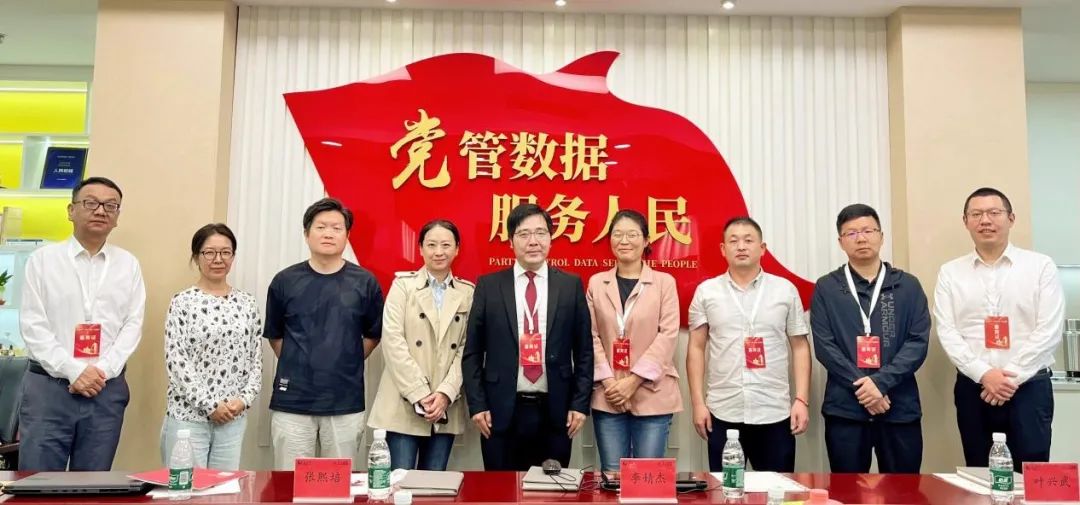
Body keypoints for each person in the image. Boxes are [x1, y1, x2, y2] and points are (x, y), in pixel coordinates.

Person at [18, 176, 146, 471]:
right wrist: (74, 370)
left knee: (93, 484)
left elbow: (132, 324)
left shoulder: (128, 265)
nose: (101, 211)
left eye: (110, 206)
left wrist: (101, 372)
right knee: (37, 482)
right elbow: (33, 325)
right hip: (49, 389)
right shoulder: (42, 260)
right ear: (71, 210)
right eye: (91, 203)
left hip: (105, 389)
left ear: (117, 217)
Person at [934, 187, 1064, 469]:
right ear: (965, 221)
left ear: (1011, 218)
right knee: (979, 471)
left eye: (994, 213)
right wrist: (984, 374)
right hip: (974, 388)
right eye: (976, 214)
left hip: (1029, 387)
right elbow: (947, 330)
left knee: (1031, 471)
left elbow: (1049, 328)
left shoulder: (1040, 266)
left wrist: (1007, 378)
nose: (985, 220)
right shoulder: (950, 272)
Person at [461, 203, 593, 470]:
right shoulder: (489, 285)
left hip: (556, 411)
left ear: (551, 238)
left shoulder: (570, 285)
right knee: (501, 489)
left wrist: (580, 404)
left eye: (541, 233)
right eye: (524, 234)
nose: (533, 241)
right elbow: (472, 352)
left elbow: (584, 352)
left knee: (551, 489)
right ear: (511, 241)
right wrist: (477, 405)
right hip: (499, 412)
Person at [264, 198, 384, 470]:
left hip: (344, 402)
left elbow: (372, 335)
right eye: (321, 227)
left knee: (340, 483)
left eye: (336, 228)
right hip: (292, 402)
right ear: (306, 233)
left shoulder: (365, 282)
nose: (328, 233)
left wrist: (344, 360)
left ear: (347, 235)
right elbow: (276, 335)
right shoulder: (285, 281)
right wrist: (301, 362)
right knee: (290, 482)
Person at [810, 204, 930, 473]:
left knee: (903, 489)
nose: (861, 238)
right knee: (847, 489)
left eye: (868, 230)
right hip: (846, 410)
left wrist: (881, 383)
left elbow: (917, 342)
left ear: (881, 236)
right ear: (841, 241)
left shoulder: (908, 286)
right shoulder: (827, 288)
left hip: (898, 406)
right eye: (851, 233)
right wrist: (866, 389)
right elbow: (825, 346)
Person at [687, 217, 811, 473]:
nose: (741, 246)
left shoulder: (785, 290)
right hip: (723, 410)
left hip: (774, 410)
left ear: (762, 248)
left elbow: (800, 346)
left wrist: (801, 399)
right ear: (723, 249)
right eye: (733, 241)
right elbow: (696, 348)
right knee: (726, 489)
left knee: (777, 489)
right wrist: (698, 403)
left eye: (748, 240)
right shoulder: (707, 292)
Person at [368, 219, 474, 470]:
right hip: (404, 401)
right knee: (399, 481)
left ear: (457, 249)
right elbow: (393, 341)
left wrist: (445, 393)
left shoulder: (467, 292)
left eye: (446, 245)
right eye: (432, 245)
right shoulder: (403, 286)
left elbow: (467, 348)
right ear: (420, 248)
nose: (439, 252)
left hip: (445, 406)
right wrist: (420, 394)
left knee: (434, 483)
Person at [160, 223, 262, 471]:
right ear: (196, 257)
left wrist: (243, 400)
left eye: (226, 252)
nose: (218, 259)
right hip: (189, 418)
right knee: (186, 486)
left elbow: (256, 360)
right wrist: (209, 405)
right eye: (209, 253)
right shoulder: (183, 302)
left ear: (233, 257)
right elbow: (177, 361)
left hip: (232, 418)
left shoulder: (247, 303)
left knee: (223, 488)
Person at [587, 210, 682, 472]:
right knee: (612, 476)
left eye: (632, 234)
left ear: (646, 240)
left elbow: (668, 334)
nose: (624, 240)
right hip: (608, 395)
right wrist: (610, 383)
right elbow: (590, 336)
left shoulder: (664, 283)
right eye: (617, 234)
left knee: (647, 477)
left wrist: (634, 381)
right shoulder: (597, 283)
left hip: (652, 392)